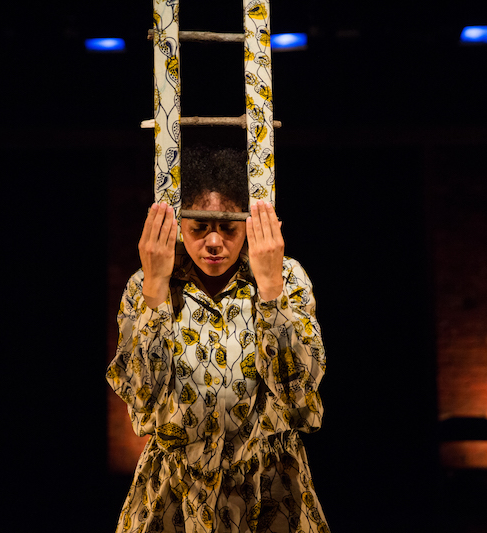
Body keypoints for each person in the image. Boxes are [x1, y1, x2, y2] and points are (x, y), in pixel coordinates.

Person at [106, 147, 329, 533]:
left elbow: (297, 393)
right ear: (180, 226)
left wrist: (270, 287)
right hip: (176, 491)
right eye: (199, 228)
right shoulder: (148, 284)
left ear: (247, 225)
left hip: (269, 489)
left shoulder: (285, 276)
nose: (213, 242)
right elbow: (141, 396)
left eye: (228, 228)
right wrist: (155, 286)